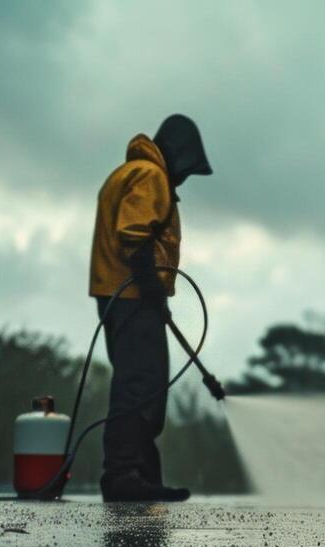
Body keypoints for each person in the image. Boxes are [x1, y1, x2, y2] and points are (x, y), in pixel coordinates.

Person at [88, 114, 214, 503]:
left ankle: (142, 477)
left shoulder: (131, 172)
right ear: (176, 154)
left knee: (144, 384)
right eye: (185, 170)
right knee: (139, 385)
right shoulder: (149, 175)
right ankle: (123, 474)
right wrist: (150, 289)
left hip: (121, 295)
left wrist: (153, 294)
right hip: (130, 295)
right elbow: (134, 232)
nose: (182, 179)